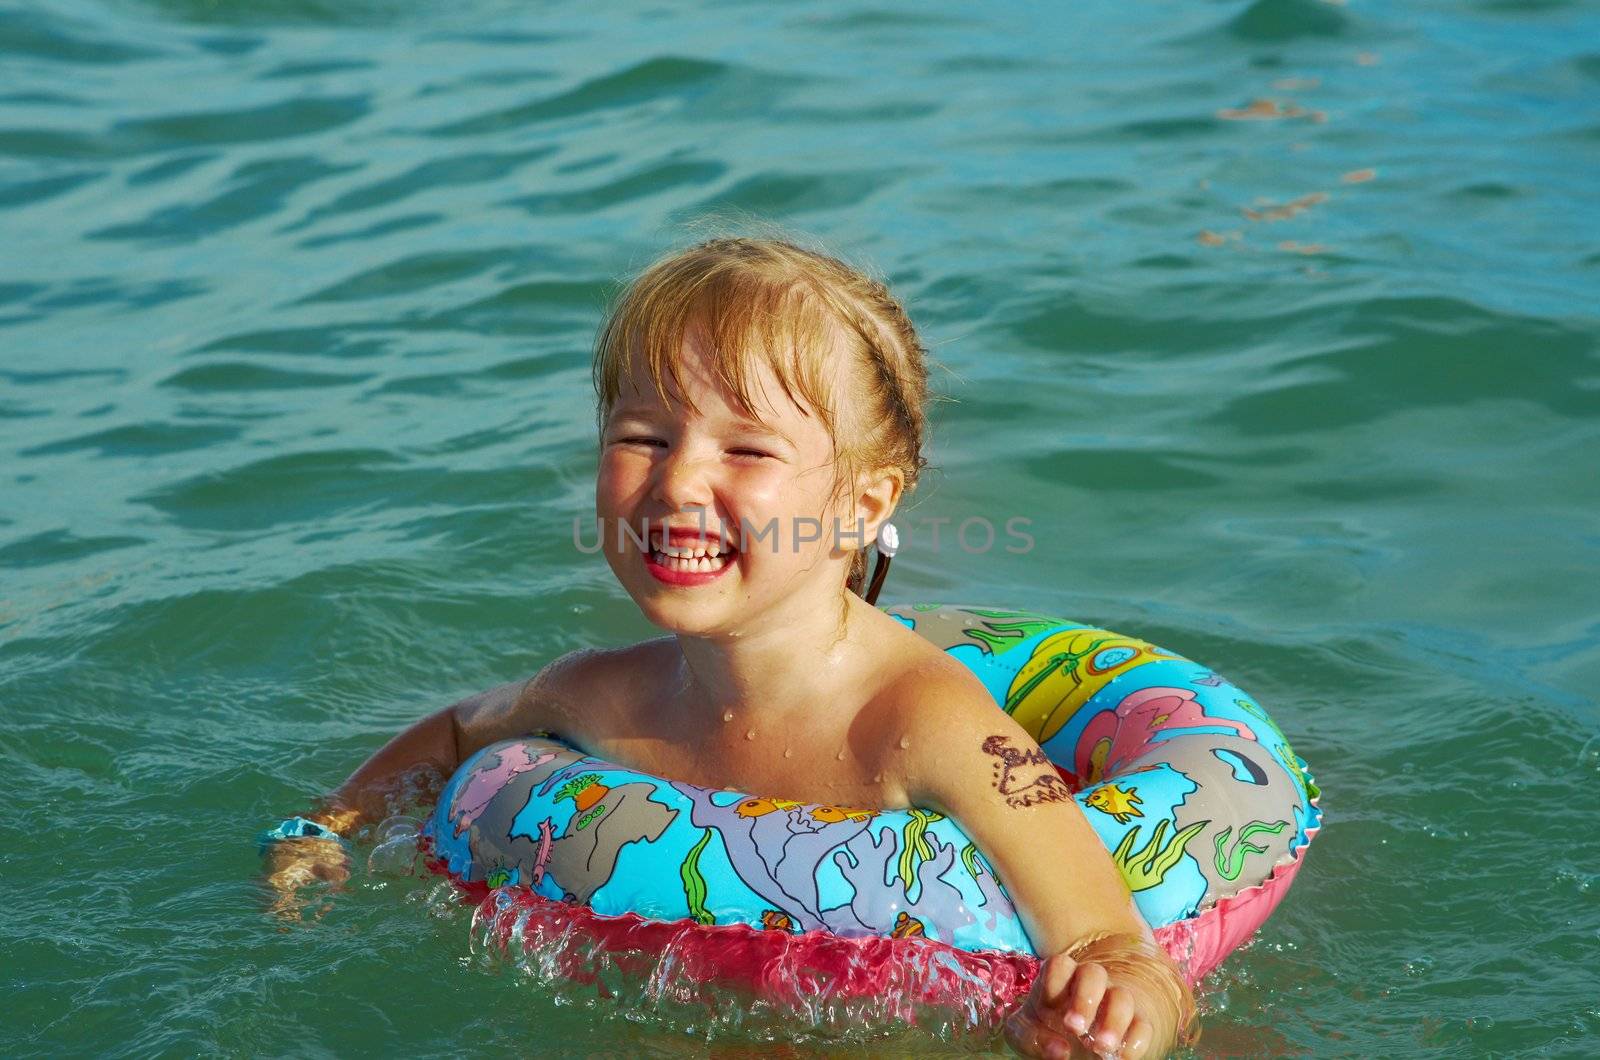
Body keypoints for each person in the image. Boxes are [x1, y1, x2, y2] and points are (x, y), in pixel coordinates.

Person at [263, 235, 1198, 1058]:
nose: (679, 484)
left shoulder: (928, 725)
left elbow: (1117, 945)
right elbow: (461, 735)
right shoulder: (605, 698)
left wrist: (1120, 1018)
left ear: (863, 508)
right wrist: (327, 830)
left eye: (746, 452)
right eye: (644, 436)